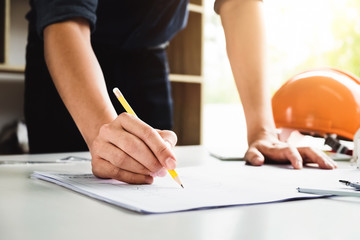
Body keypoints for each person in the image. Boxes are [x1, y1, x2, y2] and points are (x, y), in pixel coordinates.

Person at [24, 0, 337, 185]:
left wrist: (262, 130)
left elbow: (238, 3)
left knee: (153, 181)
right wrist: (99, 131)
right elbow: (65, 18)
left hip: (147, 54)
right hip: (68, 50)